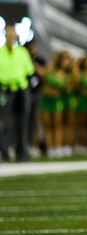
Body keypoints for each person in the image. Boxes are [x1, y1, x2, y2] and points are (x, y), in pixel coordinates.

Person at [0, 25, 35, 162]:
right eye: (8, 34)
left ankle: (22, 152)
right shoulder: (1, 52)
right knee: (5, 121)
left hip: (21, 88)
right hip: (5, 88)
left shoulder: (22, 52)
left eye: (13, 34)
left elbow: (30, 71)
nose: (11, 36)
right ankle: (4, 152)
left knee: (23, 120)